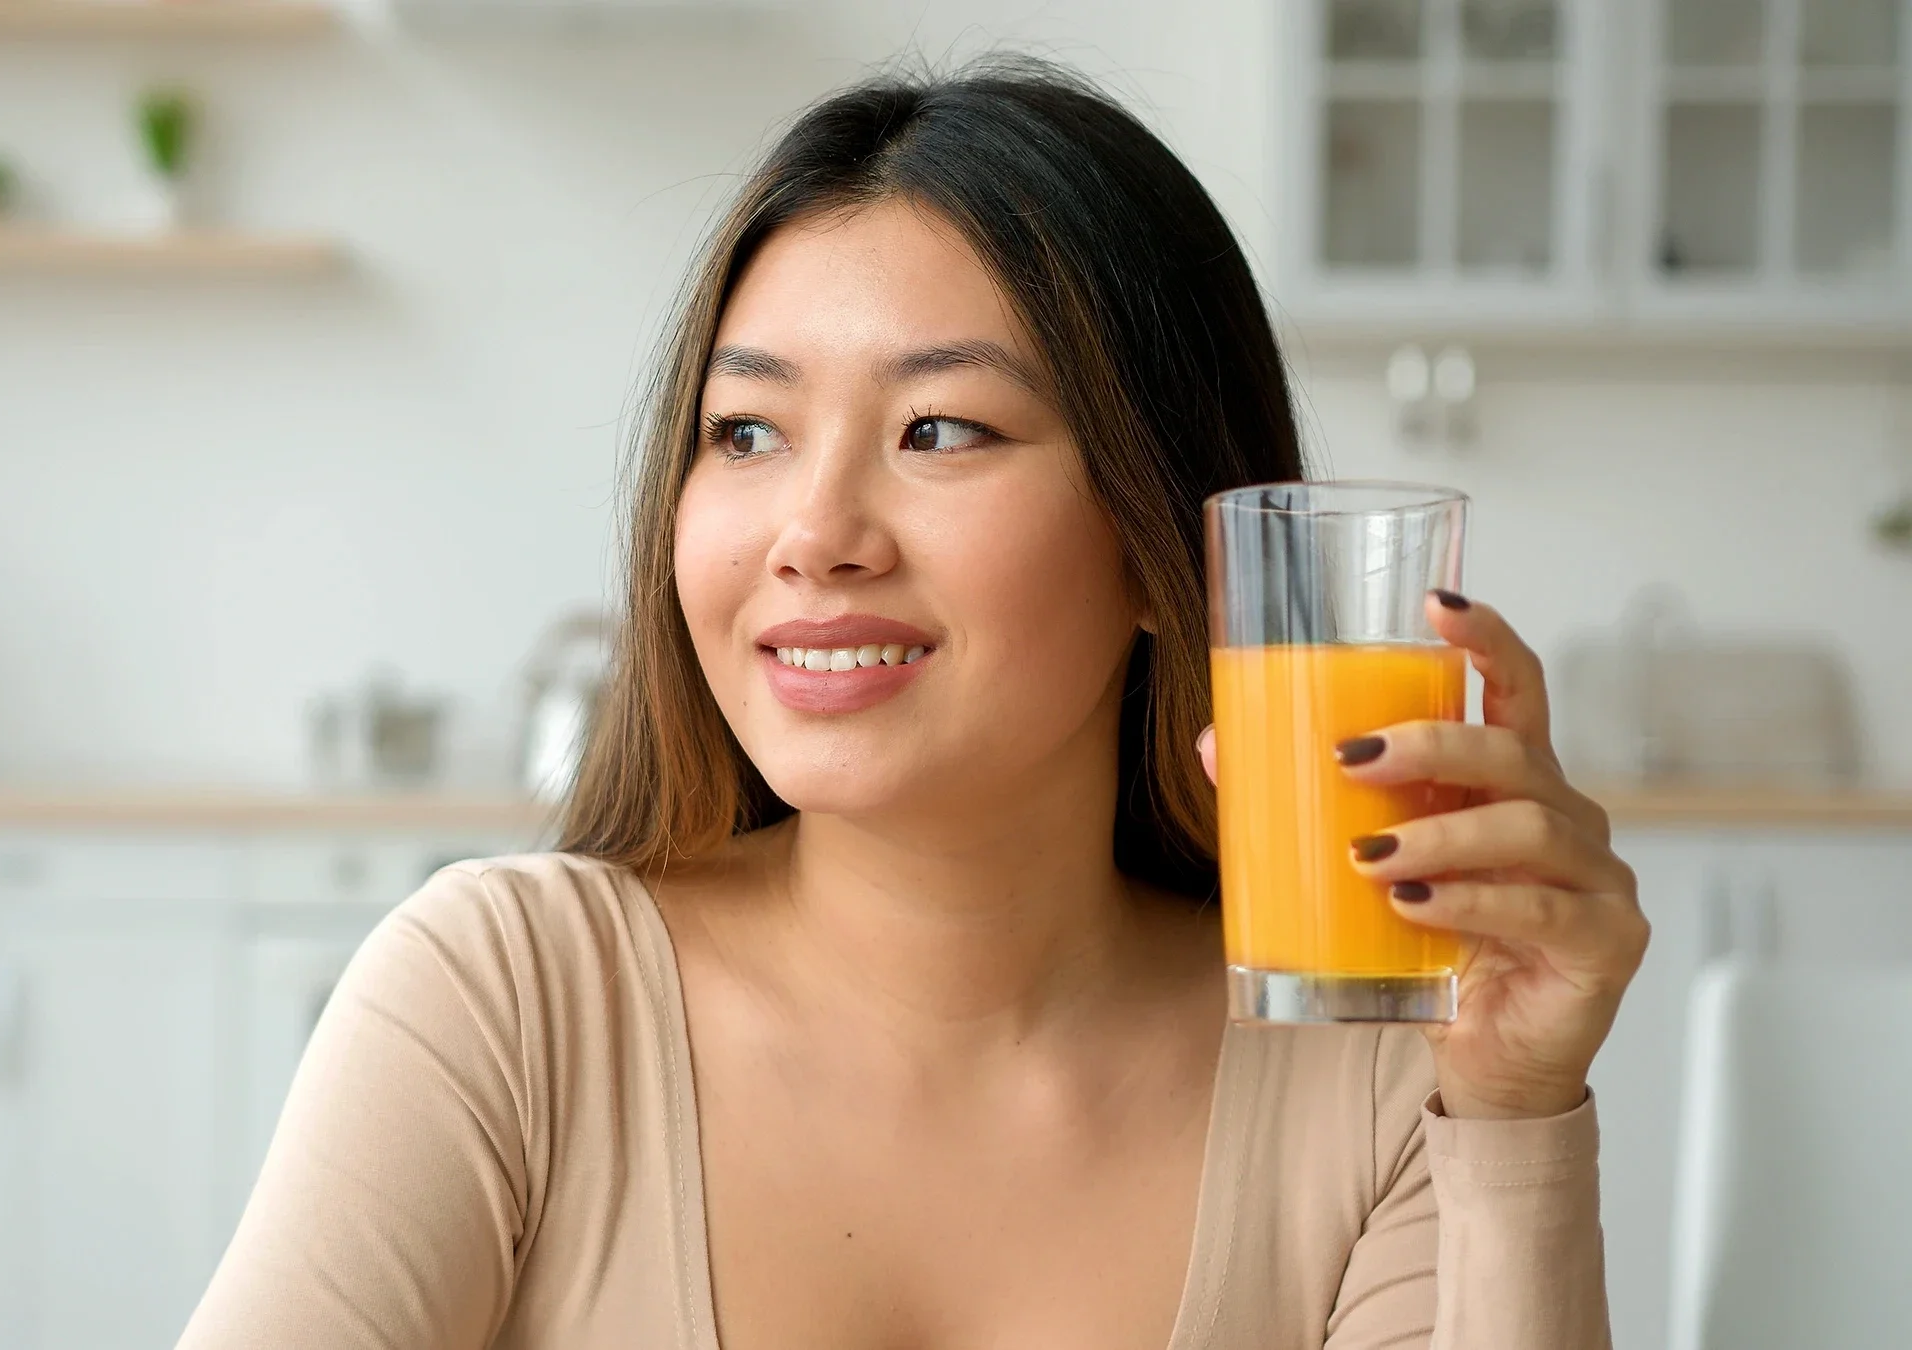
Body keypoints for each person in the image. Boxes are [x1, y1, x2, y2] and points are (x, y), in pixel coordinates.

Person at [178, 55, 1643, 1349]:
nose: (814, 530)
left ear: (1163, 544)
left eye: (938, 428)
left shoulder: (1374, 1086)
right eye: (745, 431)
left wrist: (1515, 1117)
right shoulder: (510, 1002)